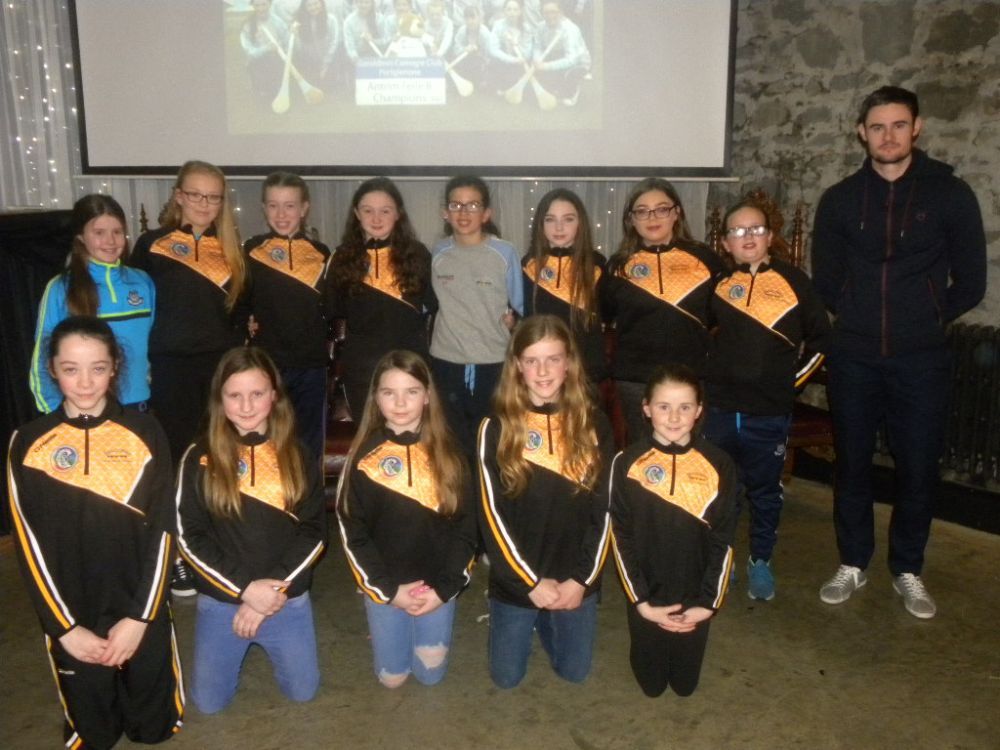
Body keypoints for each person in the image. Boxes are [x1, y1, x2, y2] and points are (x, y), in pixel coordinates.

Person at [812, 85, 987, 619]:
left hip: (921, 358)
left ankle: (908, 568)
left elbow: (972, 281)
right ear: (861, 133)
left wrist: (927, 317)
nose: (888, 136)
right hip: (855, 356)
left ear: (917, 128)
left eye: (898, 125)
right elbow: (826, 280)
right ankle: (853, 561)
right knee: (852, 464)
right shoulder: (840, 200)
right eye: (877, 127)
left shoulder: (950, 194)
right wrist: (856, 315)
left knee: (918, 467)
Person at [9, 316, 184, 749]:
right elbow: (28, 547)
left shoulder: (146, 431)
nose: (85, 382)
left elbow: (165, 531)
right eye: (71, 369)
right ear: (52, 369)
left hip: (138, 605)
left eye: (98, 368)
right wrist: (64, 628)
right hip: (74, 611)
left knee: (155, 731)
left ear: (115, 367)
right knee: (95, 738)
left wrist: (140, 619)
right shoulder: (27, 442)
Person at [175, 346, 327, 713]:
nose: (246, 406)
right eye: (234, 395)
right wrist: (245, 589)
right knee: (209, 704)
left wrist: (270, 593)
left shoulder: (297, 454)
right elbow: (188, 536)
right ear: (219, 398)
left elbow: (314, 532)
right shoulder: (198, 457)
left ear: (274, 395)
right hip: (223, 600)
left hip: (284, 598)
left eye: (257, 394)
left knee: (303, 692)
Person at [130, 160, 249, 598]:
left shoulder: (233, 251)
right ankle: (179, 557)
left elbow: (241, 320)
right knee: (178, 465)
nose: (204, 203)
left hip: (219, 374)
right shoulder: (151, 245)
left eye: (213, 197)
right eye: (195, 194)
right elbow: (136, 310)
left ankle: (220, 548)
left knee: (220, 462)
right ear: (178, 195)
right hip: (169, 372)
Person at [702, 200, 831, 601]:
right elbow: (699, 338)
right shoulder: (718, 285)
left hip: (770, 412)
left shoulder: (795, 282)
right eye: (738, 231)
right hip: (720, 410)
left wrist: (790, 385)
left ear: (770, 236)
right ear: (726, 242)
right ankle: (722, 559)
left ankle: (761, 560)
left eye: (756, 229)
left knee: (765, 493)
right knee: (721, 490)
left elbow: (822, 341)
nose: (748, 237)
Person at [478, 315, 613, 688]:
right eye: (532, 360)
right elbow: (491, 516)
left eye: (553, 359)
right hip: (519, 579)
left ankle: (549, 618)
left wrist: (581, 580)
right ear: (517, 366)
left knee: (574, 672)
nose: (542, 371)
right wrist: (530, 582)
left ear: (569, 363)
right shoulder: (496, 427)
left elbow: (605, 512)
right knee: (506, 678)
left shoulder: (594, 424)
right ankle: (522, 615)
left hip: (574, 577)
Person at [337, 350, 476, 688]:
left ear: (427, 396)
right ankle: (382, 622)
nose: (400, 403)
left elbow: (468, 529)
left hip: (436, 586)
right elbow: (353, 533)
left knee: (430, 677)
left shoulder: (451, 454)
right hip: (388, 586)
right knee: (392, 679)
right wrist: (385, 590)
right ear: (376, 398)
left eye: (411, 391)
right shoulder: (364, 459)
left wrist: (444, 589)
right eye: (389, 392)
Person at [609, 364, 740, 698]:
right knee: (652, 687)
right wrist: (640, 602)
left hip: (694, 594)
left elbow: (724, 539)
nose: (674, 417)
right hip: (646, 593)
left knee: (684, 687)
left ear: (698, 411)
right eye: (664, 406)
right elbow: (619, 536)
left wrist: (708, 604)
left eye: (685, 407)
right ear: (646, 408)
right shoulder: (626, 462)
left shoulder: (719, 464)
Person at [602, 177, 724, 444]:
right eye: (642, 211)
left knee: (691, 456)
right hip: (636, 380)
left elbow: (720, 316)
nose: (652, 217)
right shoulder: (617, 266)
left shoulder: (705, 259)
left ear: (676, 213)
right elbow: (605, 314)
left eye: (661, 209)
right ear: (631, 219)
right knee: (644, 456)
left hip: (691, 378)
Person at [30, 194, 155, 414]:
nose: (110, 241)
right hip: (85, 409)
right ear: (81, 237)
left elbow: (153, 346)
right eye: (99, 233)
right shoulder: (61, 287)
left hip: (138, 407)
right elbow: (43, 357)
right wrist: (53, 413)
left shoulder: (142, 282)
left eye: (117, 232)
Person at [329, 177, 437, 418]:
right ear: (356, 213)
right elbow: (331, 311)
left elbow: (434, 307)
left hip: (409, 364)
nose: (376, 219)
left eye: (385, 211)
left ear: (398, 213)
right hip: (361, 370)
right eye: (368, 210)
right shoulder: (341, 257)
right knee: (368, 435)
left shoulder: (418, 254)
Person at [430, 174, 523, 454]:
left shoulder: (504, 252)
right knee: (452, 445)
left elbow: (520, 307)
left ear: (486, 213)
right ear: (445, 213)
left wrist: (514, 322)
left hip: (493, 361)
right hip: (446, 361)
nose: (463, 212)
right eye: (456, 205)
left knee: (493, 442)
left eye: (472, 205)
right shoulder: (438, 252)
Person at [245, 171, 332, 463]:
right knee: (266, 443)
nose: (281, 214)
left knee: (308, 446)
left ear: (304, 208)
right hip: (266, 365)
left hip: (311, 365)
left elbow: (332, 308)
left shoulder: (321, 253)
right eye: (273, 205)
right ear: (263, 208)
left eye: (290, 205)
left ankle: (307, 493)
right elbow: (238, 302)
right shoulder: (251, 251)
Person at [523, 187, 606, 386]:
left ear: (580, 223)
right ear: (540, 224)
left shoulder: (597, 265)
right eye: (550, 219)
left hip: (585, 371)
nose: (559, 228)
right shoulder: (528, 265)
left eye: (568, 219)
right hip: (541, 372)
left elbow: (608, 316)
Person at [532, 0, 590, 105]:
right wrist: (537, 60)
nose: (550, 16)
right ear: (542, 14)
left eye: (553, 12)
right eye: (546, 12)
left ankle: (572, 89)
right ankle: (556, 84)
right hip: (557, 55)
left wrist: (546, 66)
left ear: (561, 12)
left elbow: (572, 59)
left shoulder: (570, 29)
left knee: (566, 95)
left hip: (578, 63)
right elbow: (537, 46)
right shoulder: (540, 27)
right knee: (545, 84)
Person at [240, 0, 291, 108]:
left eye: (264, 4)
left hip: (276, 60)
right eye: (257, 5)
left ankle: (276, 86)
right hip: (257, 62)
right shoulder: (247, 25)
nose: (261, 8)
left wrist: (285, 57)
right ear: (252, 6)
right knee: (264, 93)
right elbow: (249, 52)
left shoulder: (278, 22)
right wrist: (266, 48)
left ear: (270, 4)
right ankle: (262, 88)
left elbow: (287, 43)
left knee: (275, 89)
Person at [294, 0, 341, 92]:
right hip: (311, 63)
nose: (313, 7)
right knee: (314, 87)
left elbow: (334, 43)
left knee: (329, 87)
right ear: (305, 8)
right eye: (309, 5)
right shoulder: (301, 22)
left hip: (330, 60)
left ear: (321, 4)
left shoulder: (331, 20)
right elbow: (299, 48)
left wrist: (325, 65)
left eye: (316, 4)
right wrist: (295, 35)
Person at [489, 0, 534, 92]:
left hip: (520, 62)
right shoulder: (498, 25)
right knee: (494, 64)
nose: (512, 13)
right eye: (509, 9)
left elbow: (527, 53)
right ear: (504, 11)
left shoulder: (526, 28)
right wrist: (512, 60)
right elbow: (493, 49)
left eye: (515, 10)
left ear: (520, 11)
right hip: (505, 60)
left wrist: (518, 47)